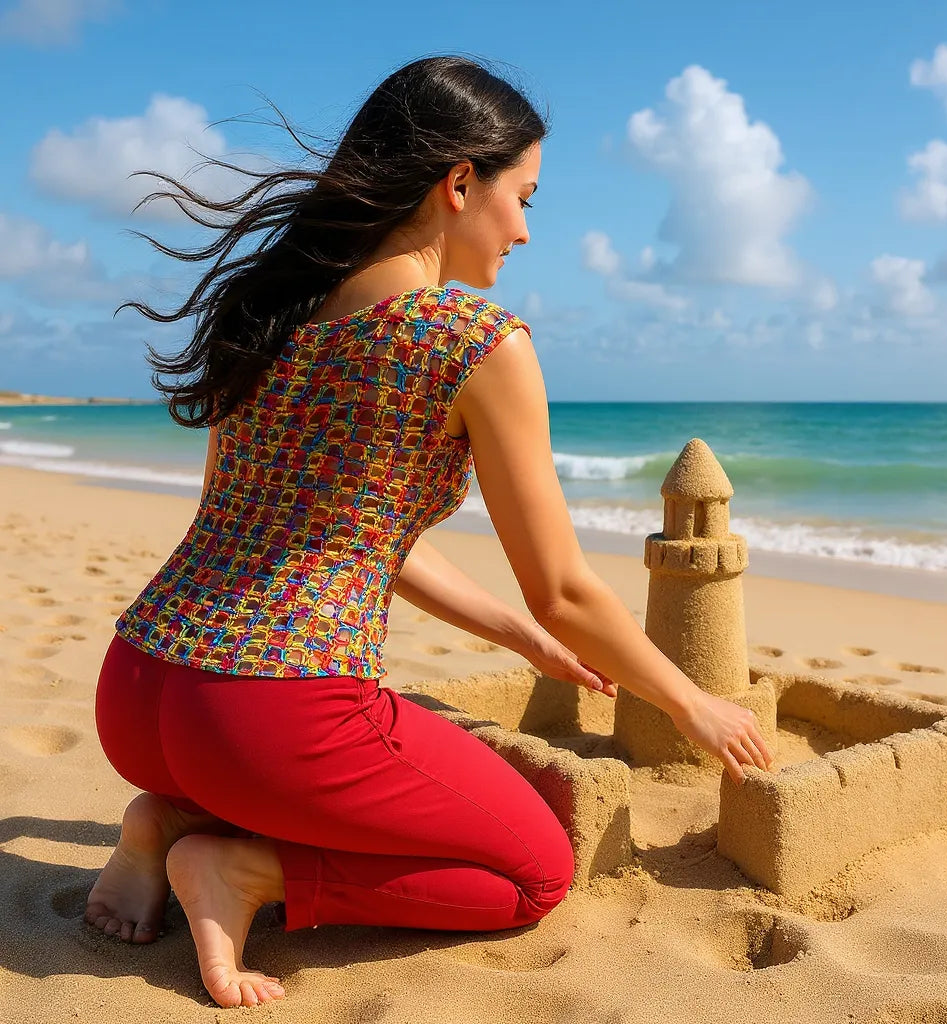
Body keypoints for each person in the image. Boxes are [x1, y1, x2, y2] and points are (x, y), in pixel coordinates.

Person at [83, 55, 774, 1009]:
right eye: (522, 197)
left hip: (136, 686)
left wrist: (519, 640)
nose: (525, 230)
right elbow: (565, 585)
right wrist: (691, 703)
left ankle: (163, 819)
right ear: (459, 185)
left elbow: (327, 528)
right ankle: (242, 873)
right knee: (534, 872)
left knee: (289, 766)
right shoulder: (470, 339)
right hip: (266, 714)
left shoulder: (272, 311)